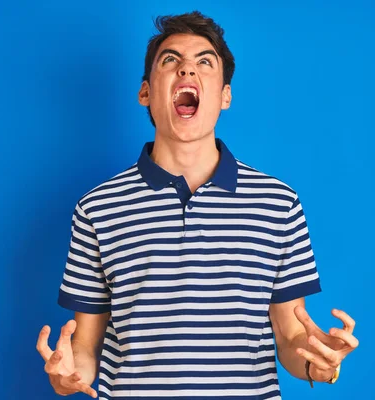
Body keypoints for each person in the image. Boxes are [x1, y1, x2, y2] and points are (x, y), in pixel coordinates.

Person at [36, 10, 358, 399]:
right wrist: (68, 375)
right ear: (145, 93)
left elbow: (291, 337)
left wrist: (319, 365)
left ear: (224, 95)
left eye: (204, 62)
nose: (187, 69)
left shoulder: (279, 203)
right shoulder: (97, 207)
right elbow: (85, 346)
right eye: (170, 60)